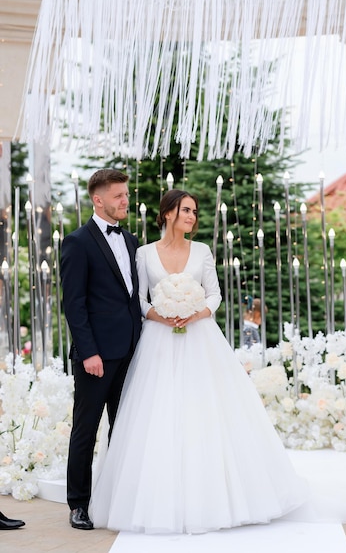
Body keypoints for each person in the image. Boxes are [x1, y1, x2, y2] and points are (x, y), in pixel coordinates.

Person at [89, 189, 307, 534]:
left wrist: (198, 312)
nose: (192, 216)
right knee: (159, 414)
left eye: (194, 211)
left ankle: (219, 495)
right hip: (158, 342)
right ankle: (157, 498)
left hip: (200, 337)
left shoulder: (202, 251)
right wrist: (160, 316)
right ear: (168, 213)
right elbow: (140, 298)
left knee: (206, 410)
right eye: (186, 210)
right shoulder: (144, 253)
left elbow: (215, 293)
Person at [61, 169, 142, 530]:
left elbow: (133, 297)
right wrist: (88, 351)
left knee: (123, 428)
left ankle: (118, 499)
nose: (126, 200)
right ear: (98, 199)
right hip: (96, 357)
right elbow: (74, 304)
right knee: (86, 430)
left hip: (131, 352)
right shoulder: (78, 242)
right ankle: (78, 503)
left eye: (126, 194)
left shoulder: (132, 241)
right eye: (119, 196)